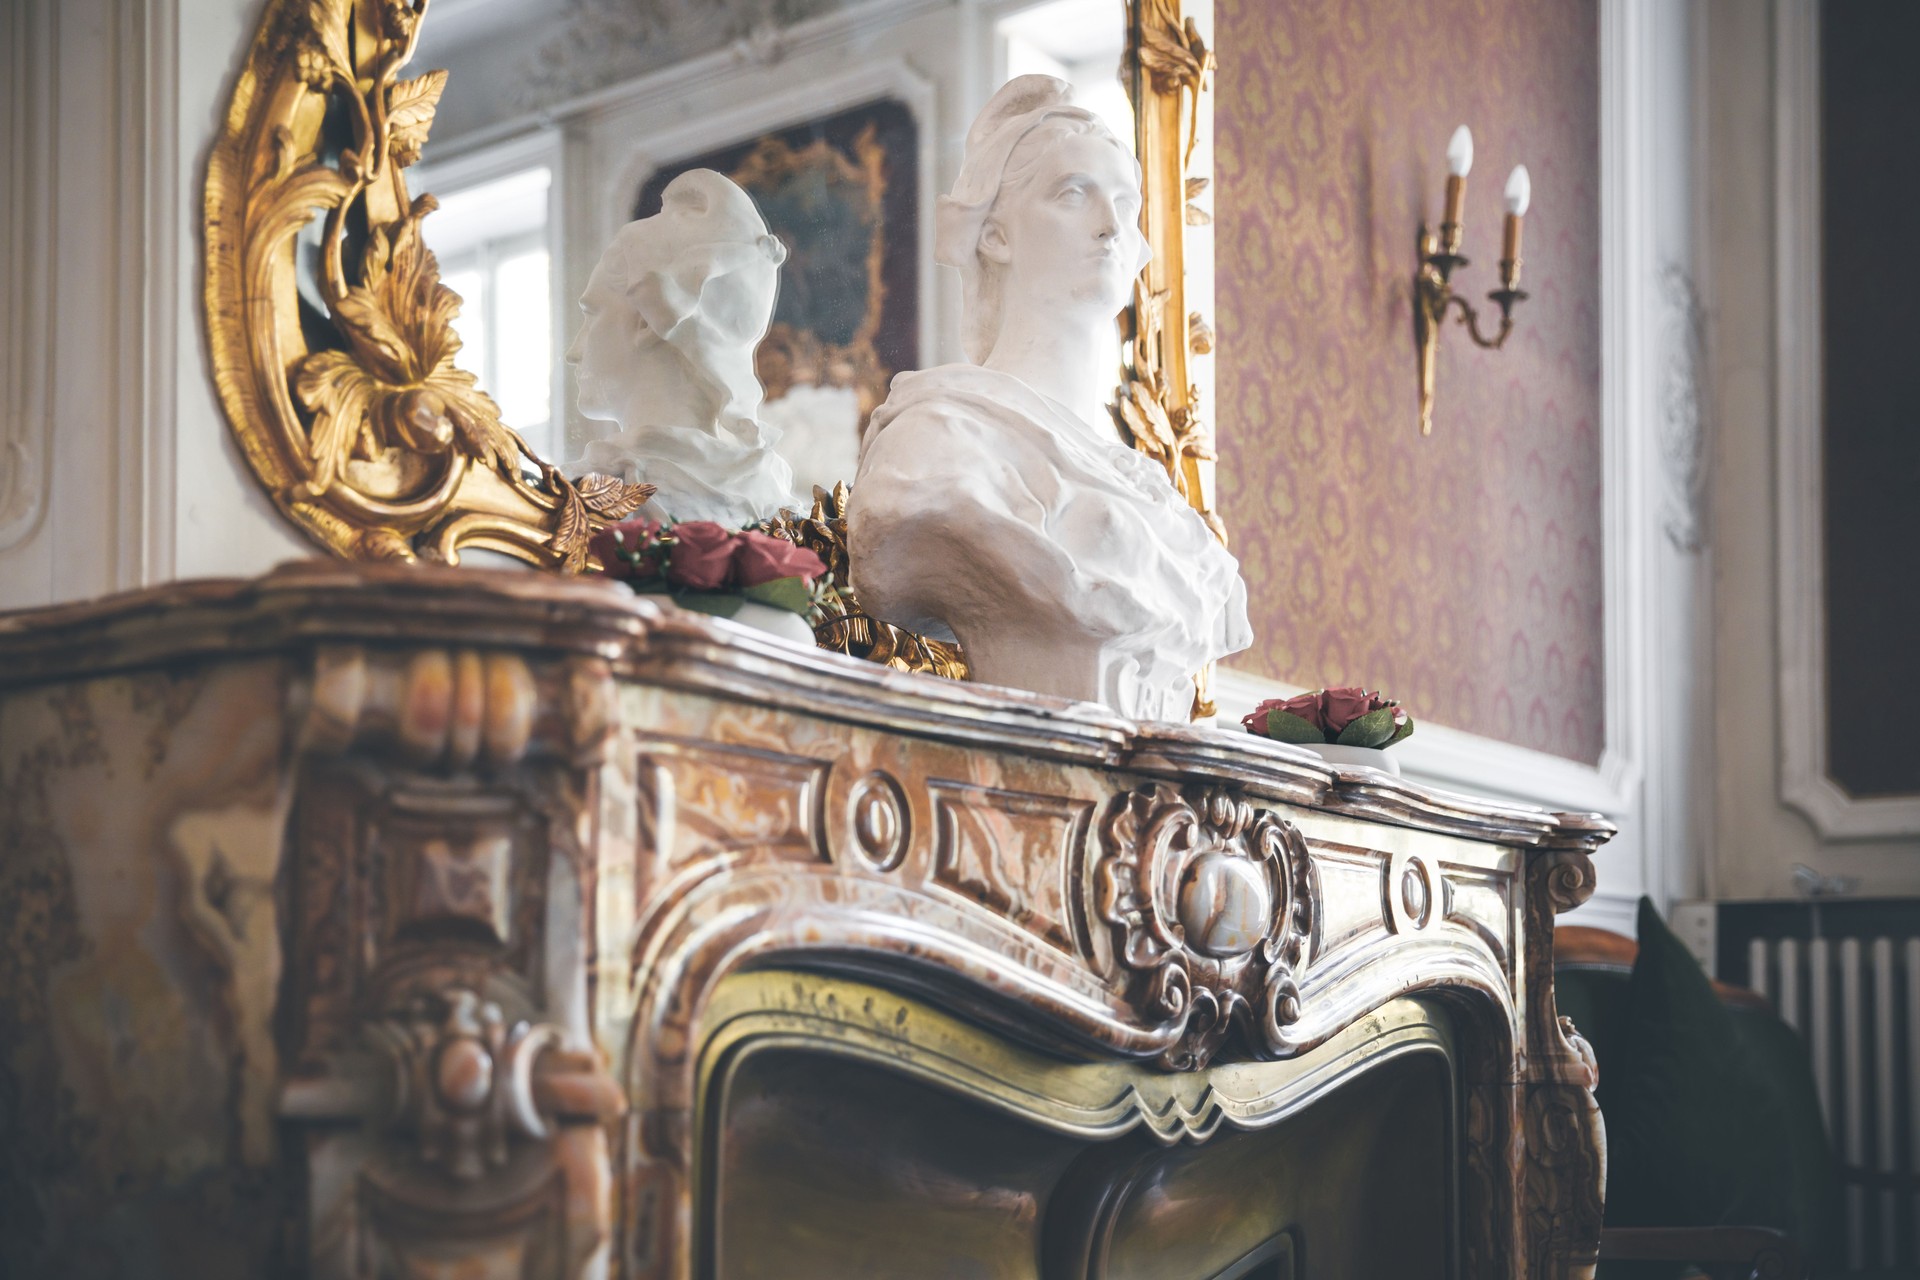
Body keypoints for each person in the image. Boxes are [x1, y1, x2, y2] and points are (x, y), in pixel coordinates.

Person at [848, 75, 1250, 721]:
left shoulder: (1150, 486)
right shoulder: (941, 445)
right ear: (994, 236)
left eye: (1126, 201)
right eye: (1073, 195)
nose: (1112, 227)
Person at [566, 169, 795, 526]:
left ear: (646, 320)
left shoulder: (596, 495)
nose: (574, 353)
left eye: (591, 315)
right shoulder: (771, 497)